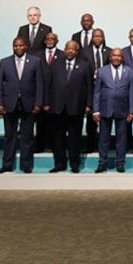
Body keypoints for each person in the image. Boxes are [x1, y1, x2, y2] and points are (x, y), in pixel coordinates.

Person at [0, 37, 44, 173]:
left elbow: (39, 84)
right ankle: (7, 165)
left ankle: (26, 165)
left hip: (28, 104)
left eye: (20, 45)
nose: (18, 48)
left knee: (27, 137)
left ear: (25, 46)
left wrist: (38, 103)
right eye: (15, 46)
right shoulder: (4, 62)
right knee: (9, 136)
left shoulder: (35, 61)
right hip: (9, 104)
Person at [44, 41, 93, 173]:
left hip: (76, 107)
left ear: (77, 51)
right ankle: (59, 164)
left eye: (73, 49)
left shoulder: (85, 66)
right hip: (57, 107)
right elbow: (48, 84)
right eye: (68, 49)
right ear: (65, 50)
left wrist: (89, 104)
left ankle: (74, 164)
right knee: (58, 137)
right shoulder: (56, 64)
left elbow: (89, 86)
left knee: (75, 138)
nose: (70, 51)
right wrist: (46, 102)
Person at [93, 48, 133, 173]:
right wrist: (96, 110)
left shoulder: (130, 72)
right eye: (114, 55)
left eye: (119, 56)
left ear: (122, 58)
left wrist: (132, 111)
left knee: (121, 139)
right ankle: (102, 163)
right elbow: (97, 92)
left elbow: (132, 93)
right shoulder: (102, 71)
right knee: (103, 138)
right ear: (110, 57)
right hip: (105, 109)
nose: (116, 58)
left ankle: (120, 164)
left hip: (123, 110)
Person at [80, 28, 110, 153]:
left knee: (105, 118)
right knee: (90, 119)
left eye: (99, 36)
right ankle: (90, 146)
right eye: (95, 36)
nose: (97, 38)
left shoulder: (109, 51)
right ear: (92, 38)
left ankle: (103, 146)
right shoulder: (84, 52)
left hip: (106, 89)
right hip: (90, 88)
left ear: (103, 38)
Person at [36, 32, 64, 152]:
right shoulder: (37, 56)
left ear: (57, 41)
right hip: (40, 94)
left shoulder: (62, 55)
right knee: (40, 123)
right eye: (47, 38)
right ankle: (40, 146)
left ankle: (54, 146)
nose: (50, 40)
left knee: (56, 124)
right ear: (44, 41)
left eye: (52, 39)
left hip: (57, 96)